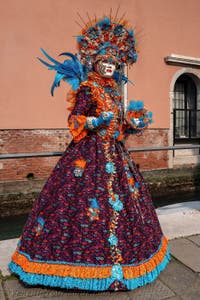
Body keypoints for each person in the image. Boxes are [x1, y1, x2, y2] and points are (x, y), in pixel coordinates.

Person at [9, 15, 170, 291]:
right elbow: (75, 119)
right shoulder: (88, 88)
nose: (109, 66)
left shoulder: (114, 93)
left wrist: (131, 124)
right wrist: (94, 122)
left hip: (116, 155)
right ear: (95, 63)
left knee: (130, 205)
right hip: (88, 155)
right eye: (104, 62)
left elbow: (117, 129)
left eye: (113, 63)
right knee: (77, 207)